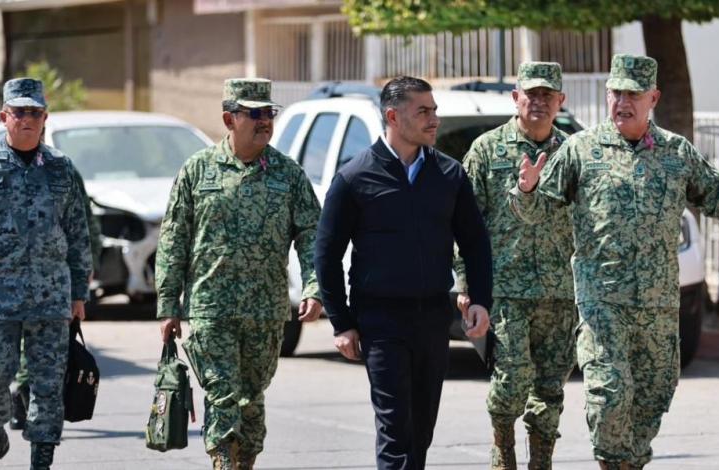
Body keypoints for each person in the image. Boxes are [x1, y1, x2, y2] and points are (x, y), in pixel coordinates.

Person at [510, 54, 719, 469]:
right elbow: (539, 210)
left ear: (653, 98)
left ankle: (629, 462)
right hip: (602, 303)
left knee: (652, 399)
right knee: (609, 395)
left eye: (633, 93)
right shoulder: (581, 150)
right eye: (616, 92)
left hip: (658, 305)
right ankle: (614, 463)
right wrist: (526, 192)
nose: (622, 102)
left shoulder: (676, 153)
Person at [314, 75, 493, 470]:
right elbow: (326, 254)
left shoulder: (449, 175)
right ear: (393, 116)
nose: (434, 120)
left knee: (421, 430)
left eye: (434, 111)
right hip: (381, 321)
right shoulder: (355, 177)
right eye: (423, 112)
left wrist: (480, 298)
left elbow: (476, 242)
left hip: (432, 317)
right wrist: (342, 323)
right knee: (396, 430)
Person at [156, 78, 323, 470]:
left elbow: (313, 237)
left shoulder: (288, 175)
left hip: (265, 311)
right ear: (229, 118)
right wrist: (168, 305)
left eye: (269, 113)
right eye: (254, 114)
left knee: (251, 400)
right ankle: (223, 465)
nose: (264, 121)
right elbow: (173, 238)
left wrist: (315, 287)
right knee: (223, 396)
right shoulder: (198, 170)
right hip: (210, 308)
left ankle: (244, 462)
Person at [0, 77, 92, 470]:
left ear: (45, 118)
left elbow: (79, 233)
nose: (28, 119)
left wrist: (79, 293)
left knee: (47, 387)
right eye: (20, 112)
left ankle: (41, 459)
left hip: (51, 298)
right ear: (4, 116)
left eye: (35, 113)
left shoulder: (61, 169)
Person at [456, 62, 575, 470]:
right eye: (531, 94)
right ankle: (502, 444)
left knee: (550, 388)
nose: (539, 102)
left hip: (561, 292)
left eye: (548, 95)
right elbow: (464, 224)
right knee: (511, 381)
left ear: (561, 101)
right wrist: (466, 285)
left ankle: (541, 461)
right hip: (504, 291)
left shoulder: (572, 153)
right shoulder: (487, 150)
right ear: (515, 98)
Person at [10, 168, 101, 431]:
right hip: (14, 276)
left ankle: (30, 400)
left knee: (50, 340)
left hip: (55, 274)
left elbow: (83, 218)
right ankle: (25, 398)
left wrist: (87, 261)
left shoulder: (63, 170)